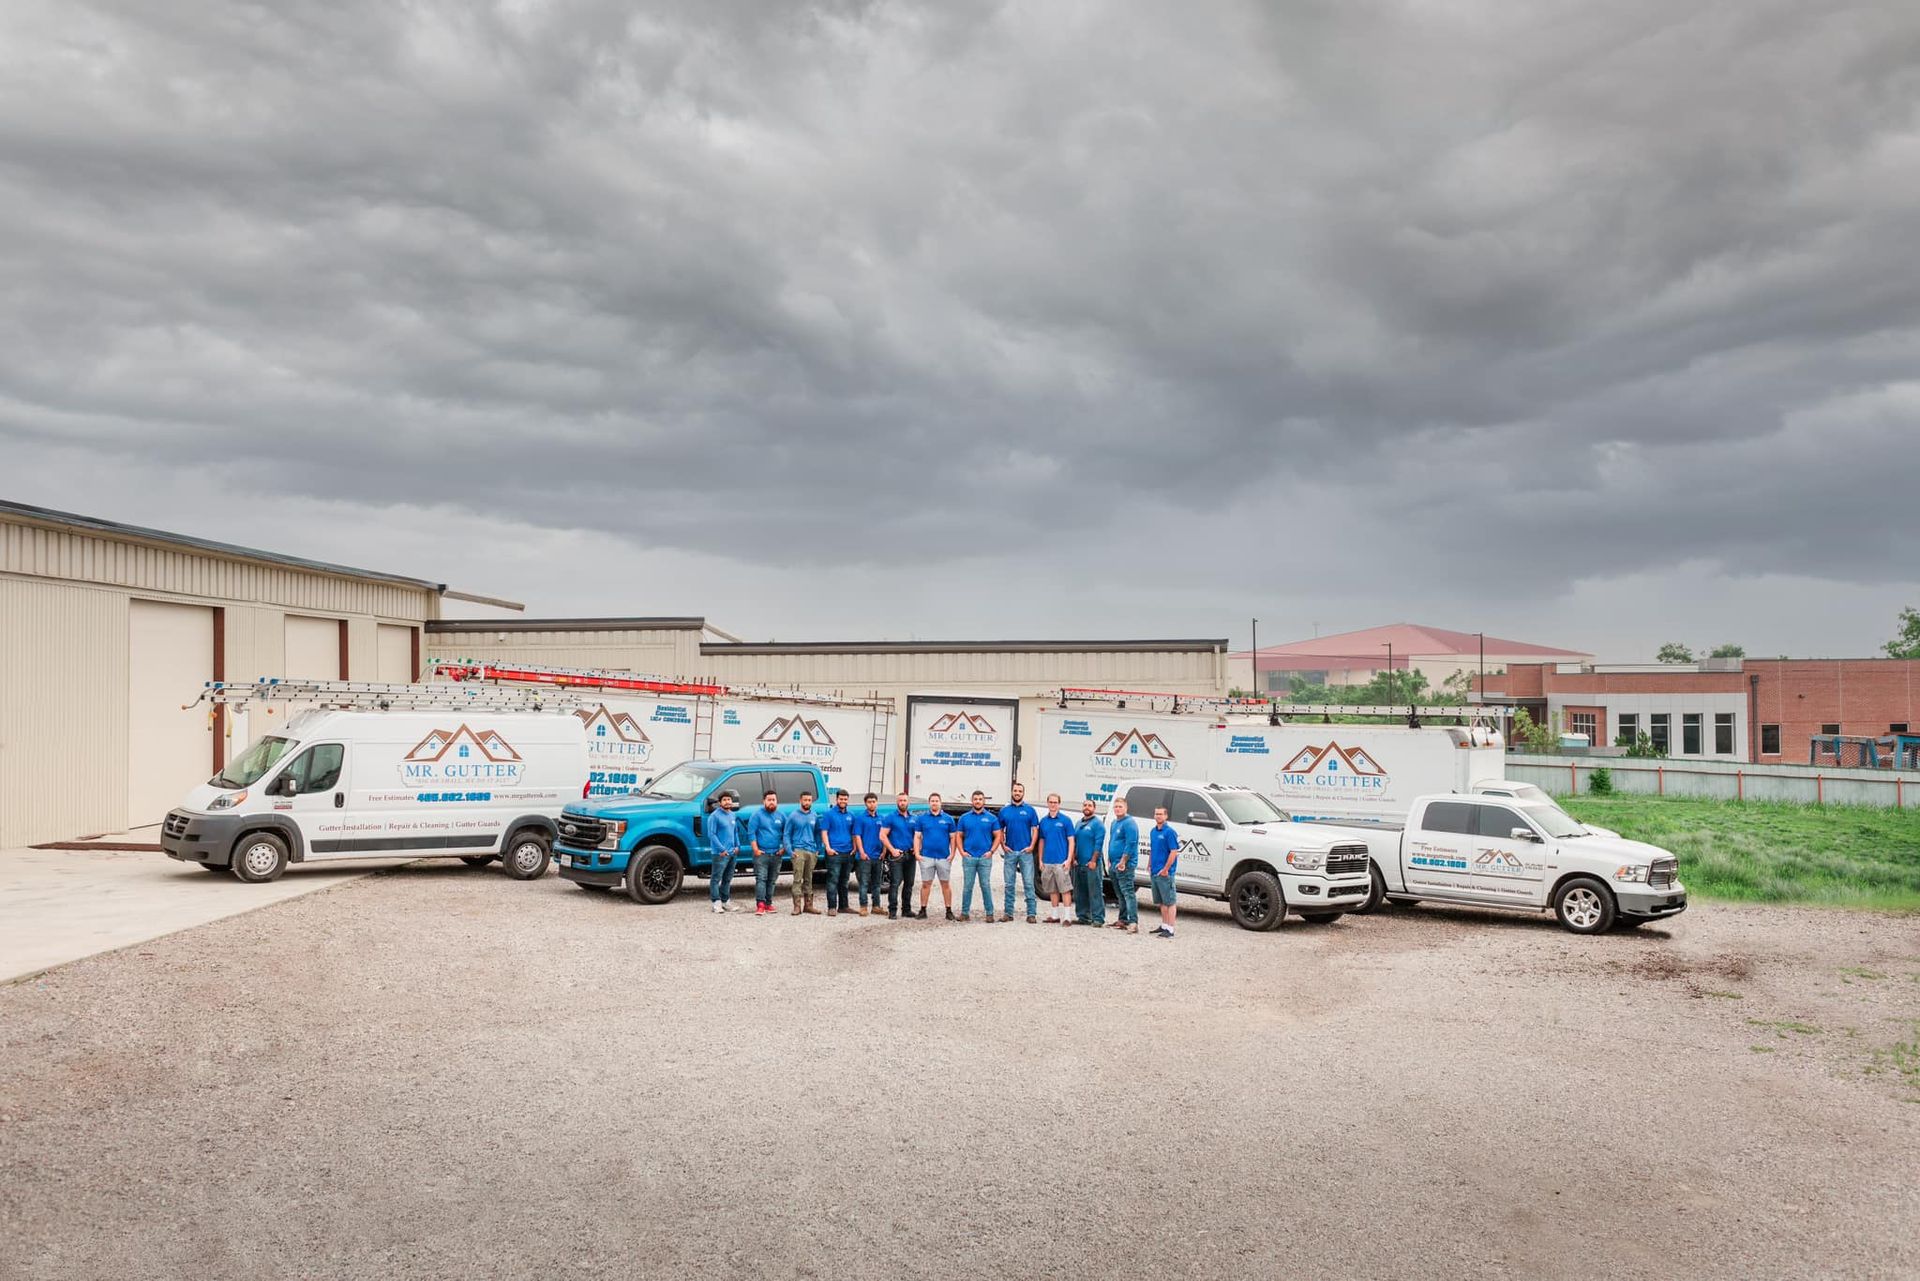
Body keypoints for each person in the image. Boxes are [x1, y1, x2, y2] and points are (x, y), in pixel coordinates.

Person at [997, 781, 1039, 924]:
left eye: (1020, 791)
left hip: (1025, 852)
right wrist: (1003, 845)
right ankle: (1008, 913)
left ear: (1023, 793)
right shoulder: (1004, 811)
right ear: (1012, 792)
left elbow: (1035, 830)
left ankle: (1031, 914)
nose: (1017, 793)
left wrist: (1032, 846)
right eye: (1015, 791)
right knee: (1009, 884)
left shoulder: (1030, 810)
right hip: (1010, 852)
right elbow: (999, 831)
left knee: (1028, 883)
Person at [956, 791, 1001, 922]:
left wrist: (992, 851)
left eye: (980, 799)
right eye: (975, 799)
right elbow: (959, 835)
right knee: (967, 886)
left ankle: (990, 913)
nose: (978, 801)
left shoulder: (992, 818)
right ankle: (964, 913)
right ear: (972, 801)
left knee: (985, 885)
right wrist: (962, 852)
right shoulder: (964, 818)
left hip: (985, 857)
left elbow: (998, 835)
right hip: (969, 857)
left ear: (984, 801)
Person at [913, 793, 959, 920]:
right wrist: (917, 853)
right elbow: (917, 836)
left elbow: (953, 838)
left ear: (940, 802)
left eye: (936, 801)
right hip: (926, 857)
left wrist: (953, 853)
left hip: (943, 857)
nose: (934, 803)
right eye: (932, 801)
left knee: (945, 884)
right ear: (929, 803)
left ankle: (948, 910)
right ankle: (923, 910)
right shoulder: (921, 819)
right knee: (926, 884)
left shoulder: (948, 819)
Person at [1035, 793, 1076, 924]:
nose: (1053, 804)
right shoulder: (1044, 821)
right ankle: (1054, 916)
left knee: (1065, 889)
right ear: (1047, 803)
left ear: (1059, 804)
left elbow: (1071, 841)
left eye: (1055, 802)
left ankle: (1068, 917)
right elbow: (1041, 841)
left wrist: (1069, 859)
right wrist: (1040, 860)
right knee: (1052, 889)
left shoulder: (1065, 820)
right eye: (1050, 802)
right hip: (1047, 862)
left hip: (1061, 862)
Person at [785, 790, 825, 916]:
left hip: (811, 851)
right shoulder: (793, 816)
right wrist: (790, 851)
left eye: (809, 800)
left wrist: (818, 848)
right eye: (805, 800)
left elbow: (818, 833)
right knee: (798, 879)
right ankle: (797, 907)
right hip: (798, 851)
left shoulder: (814, 815)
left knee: (809, 879)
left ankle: (809, 905)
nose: (807, 802)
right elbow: (786, 834)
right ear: (800, 801)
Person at [747, 789, 786, 916]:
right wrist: (756, 850)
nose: (771, 802)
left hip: (776, 854)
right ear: (764, 801)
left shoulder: (781, 816)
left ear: (777, 801)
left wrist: (784, 848)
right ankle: (760, 905)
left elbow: (787, 833)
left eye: (773, 800)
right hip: (761, 855)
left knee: (772, 880)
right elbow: (751, 833)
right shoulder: (757, 815)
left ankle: (769, 903)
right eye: (769, 800)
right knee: (761, 879)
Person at [820, 790, 858, 917]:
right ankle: (832, 907)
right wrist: (828, 848)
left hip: (848, 853)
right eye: (841, 799)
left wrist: (854, 847)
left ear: (848, 800)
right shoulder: (829, 814)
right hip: (834, 853)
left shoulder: (851, 815)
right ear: (836, 800)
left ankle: (844, 906)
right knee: (833, 880)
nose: (843, 801)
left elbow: (854, 833)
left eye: (845, 799)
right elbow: (824, 832)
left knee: (844, 881)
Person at [1105, 797, 1140, 934]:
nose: (1117, 809)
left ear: (1126, 808)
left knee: (1128, 893)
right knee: (1119, 894)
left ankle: (1133, 922)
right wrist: (1109, 859)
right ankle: (1123, 919)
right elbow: (1113, 841)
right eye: (1116, 807)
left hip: (1125, 865)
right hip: (1114, 863)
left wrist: (1123, 861)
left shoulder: (1129, 823)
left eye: (1120, 806)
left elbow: (1131, 844)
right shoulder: (1115, 822)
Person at [880, 792, 917, 920]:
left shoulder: (914, 818)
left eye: (905, 800)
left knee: (909, 883)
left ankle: (906, 910)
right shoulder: (890, 817)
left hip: (910, 856)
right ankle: (892, 911)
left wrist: (917, 848)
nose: (902, 802)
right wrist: (892, 850)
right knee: (895, 883)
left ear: (908, 802)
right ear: (897, 802)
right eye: (900, 800)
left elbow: (918, 836)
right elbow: (882, 835)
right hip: (897, 856)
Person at [707, 789, 742, 914]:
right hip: (720, 854)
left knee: (728, 878)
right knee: (716, 878)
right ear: (720, 802)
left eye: (729, 799)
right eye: (724, 800)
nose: (727, 802)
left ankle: (725, 901)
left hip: (732, 853)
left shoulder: (732, 815)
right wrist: (722, 849)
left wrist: (737, 845)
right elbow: (712, 834)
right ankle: (716, 903)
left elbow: (735, 832)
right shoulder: (714, 816)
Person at [1072, 799, 1106, 928]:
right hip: (1078, 863)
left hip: (1091, 864)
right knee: (1080, 892)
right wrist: (1074, 858)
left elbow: (1098, 844)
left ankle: (1098, 918)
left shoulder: (1098, 824)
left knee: (1095, 891)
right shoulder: (1078, 823)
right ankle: (1083, 916)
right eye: (1085, 805)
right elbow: (1075, 842)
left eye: (1090, 805)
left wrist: (1093, 861)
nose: (1087, 807)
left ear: (1094, 808)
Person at [1148, 805, 1180, 938]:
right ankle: (1164, 925)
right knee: (1161, 901)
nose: (1158, 816)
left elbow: (1174, 852)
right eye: (1156, 814)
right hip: (1155, 872)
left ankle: (1171, 929)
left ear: (1166, 816)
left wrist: (1166, 869)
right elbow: (1153, 848)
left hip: (1165, 872)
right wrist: (1149, 863)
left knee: (1170, 902)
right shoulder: (1153, 831)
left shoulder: (1169, 832)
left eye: (1161, 814)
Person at [851, 793, 885, 917]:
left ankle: (876, 906)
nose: (872, 803)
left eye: (874, 801)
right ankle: (863, 906)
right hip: (865, 857)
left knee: (876, 883)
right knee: (864, 883)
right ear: (865, 803)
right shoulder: (860, 818)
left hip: (878, 856)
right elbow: (857, 836)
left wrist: (884, 851)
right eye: (869, 801)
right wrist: (862, 852)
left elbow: (884, 836)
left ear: (877, 803)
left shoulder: (881, 818)